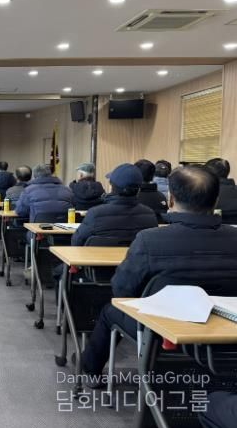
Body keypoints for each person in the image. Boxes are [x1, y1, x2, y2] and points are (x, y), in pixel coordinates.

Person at [80, 165, 237, 381]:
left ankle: (90, 370)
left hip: (158, 328)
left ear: (170, 199)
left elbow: (122, 290)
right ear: (216, 200)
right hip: (224, 329)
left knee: (110, 311)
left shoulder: (150, 239)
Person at [71, 163, 157, 246]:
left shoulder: (95, 214)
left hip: (100, 256)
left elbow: (76, 242)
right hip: (135, 256)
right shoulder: (150, 216)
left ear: (112, 187)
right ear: (138, 190)